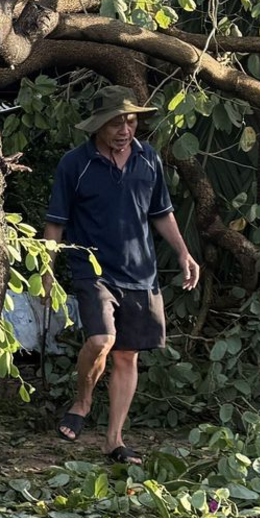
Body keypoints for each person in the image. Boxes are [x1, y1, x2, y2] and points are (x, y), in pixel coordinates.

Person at [41, 84, 199, 464]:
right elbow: (55, 224)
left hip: (140, 273)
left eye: (129, 121)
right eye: (115, 123)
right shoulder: (74, 165)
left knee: (127, 356)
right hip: (92, 269)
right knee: (100, 340)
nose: (124, 130)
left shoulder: (149, 160)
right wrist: (46, 271)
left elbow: (161, 213)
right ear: (97, 126)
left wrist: (183, 253)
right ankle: (82, 401)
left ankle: (114, 439)